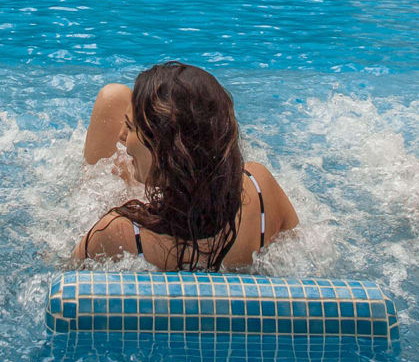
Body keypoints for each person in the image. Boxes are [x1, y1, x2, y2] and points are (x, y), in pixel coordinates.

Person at [75, 62, 298, 270]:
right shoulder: (260, 188)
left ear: (165, 152)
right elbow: (298, 247)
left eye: (131, 128)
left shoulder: (118, 234)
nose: (122, 136)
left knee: (112, 99)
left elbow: (67, 279)